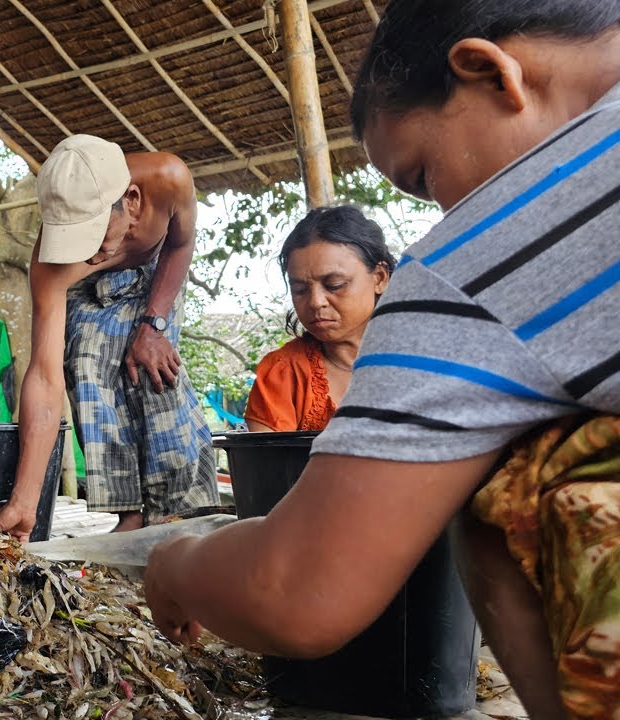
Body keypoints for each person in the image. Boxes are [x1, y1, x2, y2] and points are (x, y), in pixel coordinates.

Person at [143, 2, 620, 717]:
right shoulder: (284, 369)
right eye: (301, 288)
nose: (446, 210)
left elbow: (296, 592)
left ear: (490, 72)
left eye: (424, 175)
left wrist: (173, 562)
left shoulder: (483, 255)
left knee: (508, 476)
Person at [0, 134, 218, 541]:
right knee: (85, 362)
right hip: (89, 293)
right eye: (74, 241)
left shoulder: (169, 178)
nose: (89, 254)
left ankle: (180, 512)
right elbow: (44, 377)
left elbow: (181, 244)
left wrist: (153, 325)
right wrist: (24, 500)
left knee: (153, 371)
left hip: (158, 280)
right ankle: (127, 512)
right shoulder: (50, 266)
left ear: (132, 201)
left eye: (94, 235)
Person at [244, 206, 395, 432]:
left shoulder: (426, 357)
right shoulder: (284, 374)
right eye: (300, 290)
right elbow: (267, 455)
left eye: (334, 285)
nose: (316, 302)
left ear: (380, 278)